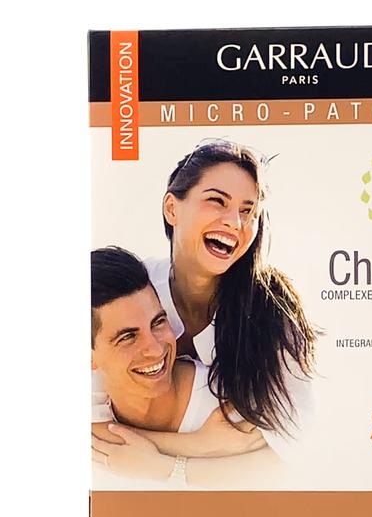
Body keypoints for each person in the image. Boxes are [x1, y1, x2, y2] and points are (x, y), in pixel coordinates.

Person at [93, 139, 317, 456]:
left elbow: (295, 446)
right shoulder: (129, 291)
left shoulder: (273, 313)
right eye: (217, 201)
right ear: (172, 208)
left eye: (248, 211)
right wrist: (200, 445)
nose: (235, 223)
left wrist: (166, 466)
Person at [91, 247, 273, 486]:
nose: (156, 349)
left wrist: (166, 466)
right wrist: (200, 446)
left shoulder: (233, 411)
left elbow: (286, 470)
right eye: (128, 337)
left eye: (158, 322)